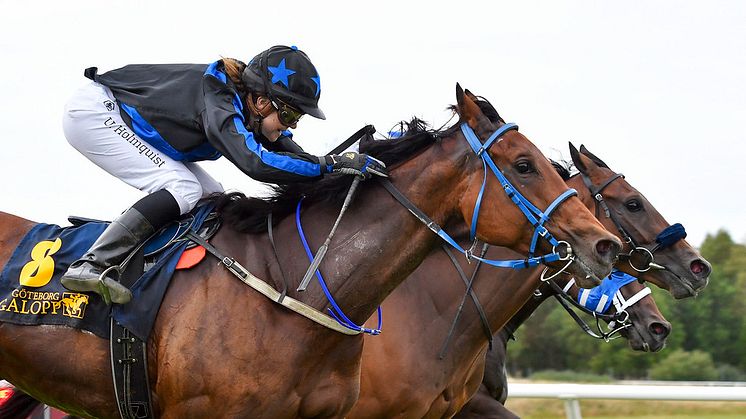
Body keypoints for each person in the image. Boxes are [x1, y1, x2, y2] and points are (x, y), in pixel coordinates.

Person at [60, 45, 387, 305]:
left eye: (297, 118)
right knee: (183, 187)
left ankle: (141, 265)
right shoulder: (220, 103)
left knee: (210, 195)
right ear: (260, 101)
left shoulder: (246, 106)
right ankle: (93, 263)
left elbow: (289, 151)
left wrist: (337, 171)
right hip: (95, 111)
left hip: (122, 117)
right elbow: (257, 165)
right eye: (288, 115)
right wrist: (329, 164)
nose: (290, 126)